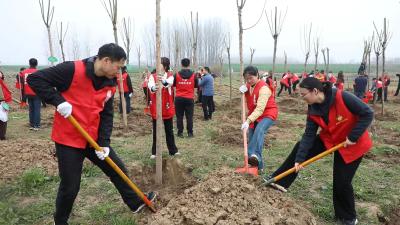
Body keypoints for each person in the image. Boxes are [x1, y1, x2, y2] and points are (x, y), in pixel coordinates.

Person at [27, 43, 156, 225]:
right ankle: (60, 221)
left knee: (117, 169)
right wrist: (58, 101)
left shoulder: (110, 83)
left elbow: (106, 115)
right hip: (68, 139)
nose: (119, 72)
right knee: (70, 186)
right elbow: (35, 79)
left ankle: (135, 203)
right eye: (117, 67)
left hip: (93, 138)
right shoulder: (71, 69)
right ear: (105, 61)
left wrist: (103, 142)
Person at [264, 77, 373, 225]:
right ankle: (279, 181)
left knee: (342, 181)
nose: (302, 98)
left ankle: (347, 217)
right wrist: (299, 159)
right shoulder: (313, 108)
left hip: (353, 143)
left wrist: (353, 136)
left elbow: (367, 113)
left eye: (303, 94)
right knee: (300, 147)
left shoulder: (343, 97)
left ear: (315, 91)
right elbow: (309, 134)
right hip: (331, 138)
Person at [239, 65, 278, 172]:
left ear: (257, 75)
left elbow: (260, 109)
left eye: (251, 78)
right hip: (254, 115)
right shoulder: (249, 85)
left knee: (259, 131)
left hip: (267, 114)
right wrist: (242, 90)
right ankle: (258, 166)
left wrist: (247, 121)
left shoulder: (264, 88)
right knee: (252, 137)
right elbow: (247, 91)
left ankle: (252, 154)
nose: (249, 80)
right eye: (246, 79)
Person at [147, 57, 179, 159]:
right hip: (156, 107)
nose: (158, 66)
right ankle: (155, 152)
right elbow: (150, 86)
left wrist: (162, 80)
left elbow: (168, 83)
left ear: (165, 66)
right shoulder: (152, 76)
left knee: (169, 130)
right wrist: (153, 87)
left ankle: (173, 150)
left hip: (167, 106)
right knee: (156, 130)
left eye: (160, 64)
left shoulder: (170, 75)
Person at [173, 58, 198, 137]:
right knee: (189, 117)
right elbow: (196, 85)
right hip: (189, 98)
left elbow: (173, 85)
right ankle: (190, 133)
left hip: (179, 98)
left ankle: (180, 133)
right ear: (189, 64)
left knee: (179, 116)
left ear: (181, 64)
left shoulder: (176, 75)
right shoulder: (194, 75)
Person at [21, 58, 41, 130]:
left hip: (27, 93)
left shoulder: (24, 72)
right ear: (36, 64)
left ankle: (32, 124)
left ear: (29, 63)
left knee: (31, 109)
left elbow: (22, 83)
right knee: (37, 109)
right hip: (36, 93)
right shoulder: (38, 72)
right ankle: (37, 125)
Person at [0, 72, 12, 140]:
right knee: (3, 119)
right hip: (2, 101)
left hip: (3, 101)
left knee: (3, 118)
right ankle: (2, 135)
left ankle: (2, 135)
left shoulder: (1, 82)